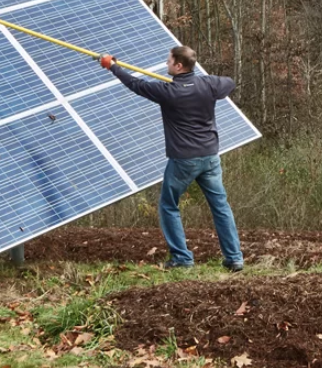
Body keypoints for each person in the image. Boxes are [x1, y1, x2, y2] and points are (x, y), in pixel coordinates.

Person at [100, 46, 244, 271]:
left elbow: (137, 85)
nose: (166, 64)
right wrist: (205, 86)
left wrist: (113, 67)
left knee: (168, 205)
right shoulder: (208, 85)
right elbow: (230, 82)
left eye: (169, 62)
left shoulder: (169, 92)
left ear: (178, 66)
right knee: (220, 205)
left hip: (184, 160)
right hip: (210, 156)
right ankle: (234, 257)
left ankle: (182, 258)